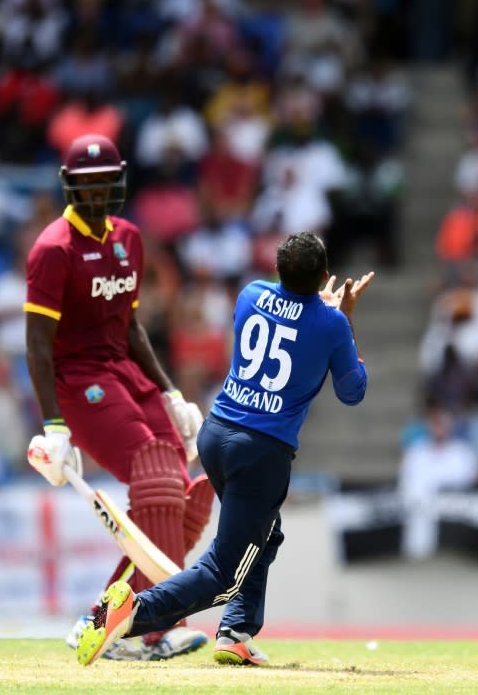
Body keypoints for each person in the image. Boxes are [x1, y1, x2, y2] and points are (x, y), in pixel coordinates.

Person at [71, 230, 374, 667]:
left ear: (278, 269)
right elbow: (352, 391)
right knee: (224, 572)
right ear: (325, 275)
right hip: (261, 451)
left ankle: (235, 631)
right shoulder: (332, 324)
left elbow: (290, 320)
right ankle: (131, 613)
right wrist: (345, 317)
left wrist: (325, 313)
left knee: (264, 534)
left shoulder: (252, 293)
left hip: (216, 434)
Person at [24, 133, 214, 661]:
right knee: (157, 482)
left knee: (184, 498)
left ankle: (102, 625)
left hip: (127, 373)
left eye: (106, 181)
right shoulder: (52, 250)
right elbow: (37, 344)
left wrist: (170, 391)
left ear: (120, 180)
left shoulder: (129, 238)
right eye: (87, 184)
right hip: (79, 382)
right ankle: (147, 629)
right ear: (69, 186)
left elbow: (130, 326)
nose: (98, 192)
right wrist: (54, 425)